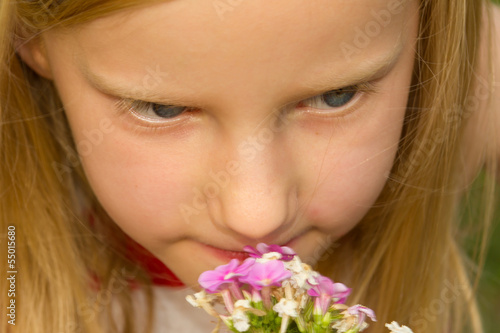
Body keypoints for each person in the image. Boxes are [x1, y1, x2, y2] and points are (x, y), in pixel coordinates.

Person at [1, 0, 499, 332]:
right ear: (31, 36)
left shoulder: (470, 91)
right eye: (163, 110)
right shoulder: (12, 262)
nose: (257, 217)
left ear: (424, 28)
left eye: (335, 96)